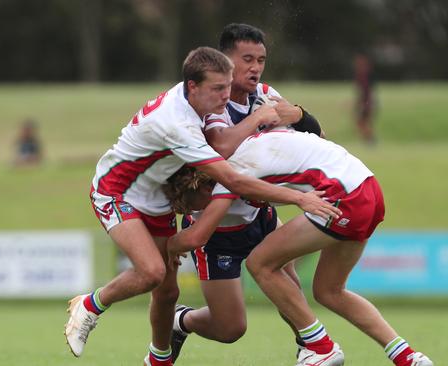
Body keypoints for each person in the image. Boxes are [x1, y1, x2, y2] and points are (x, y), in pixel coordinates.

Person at [63, 46, 340, 366]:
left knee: (168, 294)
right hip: (118, 193)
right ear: (192, 87)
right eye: (218, 88)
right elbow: (232, 181)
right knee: (151, 272)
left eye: (227, 86)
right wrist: (299, 197)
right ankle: (91, 305)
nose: (225, 95)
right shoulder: (178, 125)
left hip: (159, 200)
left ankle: (159, 360)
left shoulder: (198, 101)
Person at [164, 128, 434, 366]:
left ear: (201, 185)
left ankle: (320, 348)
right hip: (369, 186)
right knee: (329, 291)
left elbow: (196, 237)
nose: (197, 211)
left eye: (192, 206)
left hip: (344, 197)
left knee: (260, 264)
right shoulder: (251, 141)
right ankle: (407, 357)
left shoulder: (229, 178)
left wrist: (166, 247)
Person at [169, 23, 323, 362]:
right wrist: (260, 119)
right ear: (224, 60)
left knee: (291, 292)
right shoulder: (210, 101)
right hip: (216, 229)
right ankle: (180, 320)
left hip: (259, 215)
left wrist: (297, 112)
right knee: (230, 329)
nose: (255, 68)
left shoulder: (265, 94)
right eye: (247, 59)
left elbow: (314, 134)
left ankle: (313, 351)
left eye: (261, 60)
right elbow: (221, 146)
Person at [354, 53, 376, 144]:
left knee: (362, 122)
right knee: (362, 122)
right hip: (367, 101)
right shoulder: (363, 74)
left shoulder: (364, 75)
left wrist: (363, 103)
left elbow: (366, 91)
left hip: (367, 102)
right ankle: (369, 140)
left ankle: (370, 140)